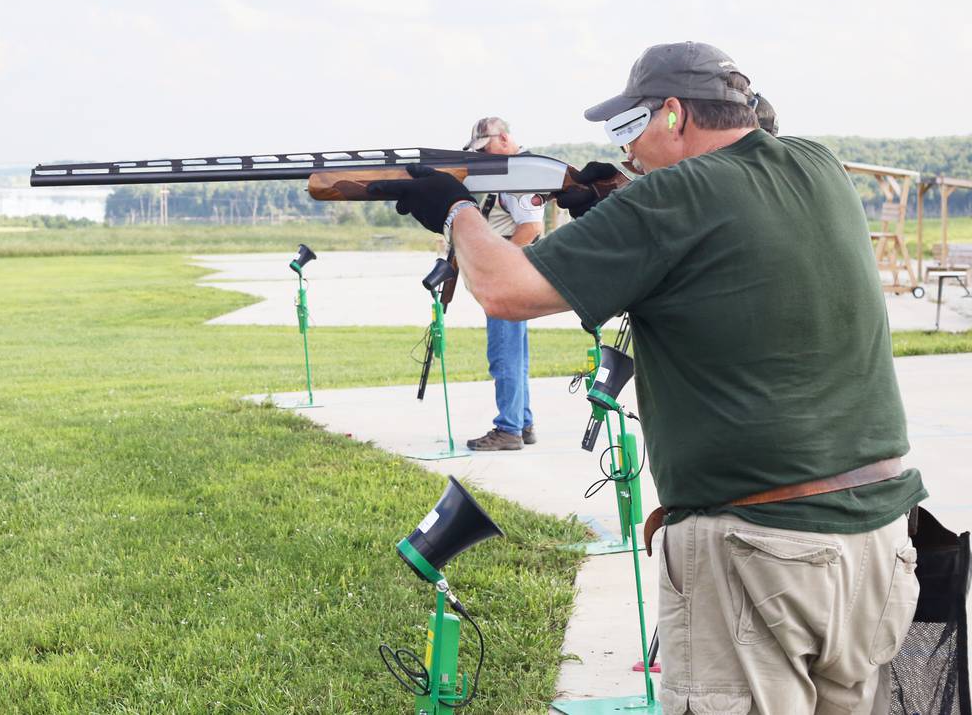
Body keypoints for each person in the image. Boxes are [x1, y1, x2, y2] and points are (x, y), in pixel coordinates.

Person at [372, 42, 923, 714]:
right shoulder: (817, 165)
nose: (626, 150)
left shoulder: (673, 195)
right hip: (878, 543)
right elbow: (716, 235)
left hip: (761, 557)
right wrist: (601, 202)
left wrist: (456, 208)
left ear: (672, 113)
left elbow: (503, 288)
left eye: (630, 128)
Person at [462, 117, 543, 452]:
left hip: (511, 277)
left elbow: (531, 228)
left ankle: (508, 429)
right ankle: (522, 423)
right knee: (514, 354)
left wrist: (499, 265)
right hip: (516, 275)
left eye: (487, 147)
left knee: (504, 354)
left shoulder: (518, 175)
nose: (483, 155)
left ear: (505, 138)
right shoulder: (512, 171)